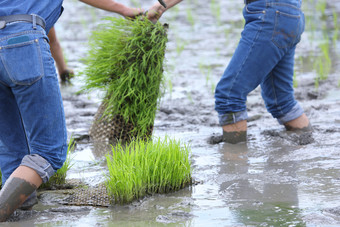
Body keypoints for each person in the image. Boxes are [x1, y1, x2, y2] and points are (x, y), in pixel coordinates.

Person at [0, 0, 143, 221]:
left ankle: (19, 211)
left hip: (14, 34)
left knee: (11, 147)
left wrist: (63, 68)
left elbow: (50, 34)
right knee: (49, 151)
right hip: (22, 42)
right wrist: (125, 9)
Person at [214, 0, 311, 144]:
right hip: (292, 14)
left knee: (229, 96)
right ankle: (311, 149)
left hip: (270, 14)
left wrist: (167, 3)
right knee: (282, 102)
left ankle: (233, 163)